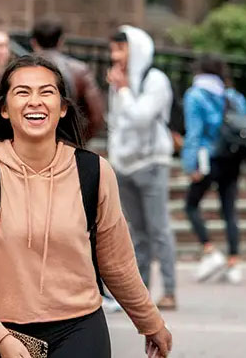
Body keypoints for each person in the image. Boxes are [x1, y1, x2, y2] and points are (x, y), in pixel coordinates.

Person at [0, 56, 172, 358]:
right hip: (2, 332)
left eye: (46, 92)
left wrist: (150, 321)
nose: (35, 101)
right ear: (5, 109)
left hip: (80, 331)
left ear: (62, 108)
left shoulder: (94, 173)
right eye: (22, 92)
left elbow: (118, 263)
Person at [105, 25, 177, 311]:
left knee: (159, 229)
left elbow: (140, 117)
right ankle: (140, 292)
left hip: (151, 163)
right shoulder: (119, 81)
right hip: (124, 164)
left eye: (121, 49)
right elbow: (116, 122)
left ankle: (170, 290)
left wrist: (122, 91)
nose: (115, 55)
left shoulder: (154, 79)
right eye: (112, 49)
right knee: (136, 232)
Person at [181, 54, 246, 285]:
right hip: (232, 158)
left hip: (207, 158)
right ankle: (234, 262)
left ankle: (209, 250)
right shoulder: (233, 96)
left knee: (191, 205)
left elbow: (194, 132)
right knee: (229, 209)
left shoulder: (195, 95)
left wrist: (190, 164)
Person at [30, 21, 106, 141]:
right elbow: (96, 115)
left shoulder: (19, 71)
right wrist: (77, 140)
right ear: (61, 41)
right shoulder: (79, 70)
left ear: (33, 42)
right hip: (66, 140)